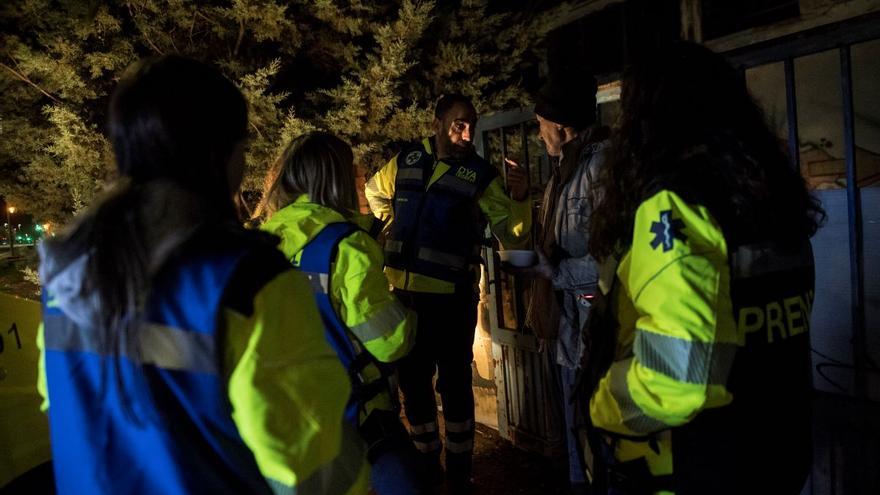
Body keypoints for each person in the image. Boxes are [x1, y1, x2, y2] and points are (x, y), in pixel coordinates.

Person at [35, 56, 368, 495]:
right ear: (222, 154)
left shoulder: (69, 270)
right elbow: (308, 467)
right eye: (243, 146)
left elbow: (59, 400)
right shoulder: (249, 281)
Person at [582, 42, 824, 494]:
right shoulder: (770, 202)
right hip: (776, 456)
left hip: (692, 465)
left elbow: (678, 379)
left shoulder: (676, 205)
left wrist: (602, 405)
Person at [365, 93, 532, 493]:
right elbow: (373, 192)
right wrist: (393, 220)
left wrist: (521, 199)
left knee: (454, 386)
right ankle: (427, 463)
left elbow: (513, 232)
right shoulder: (405, 161)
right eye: (459, 123)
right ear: (437, 123)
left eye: (472, 124)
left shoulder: (480, 174)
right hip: (404, 300)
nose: (468, 132)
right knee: (413, 385)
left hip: (451, 301)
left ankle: (459, 472)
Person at [258, 131, 425, 494]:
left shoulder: (257, 243)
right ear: (335, 180)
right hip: (353, 418)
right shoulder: (348, 246)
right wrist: (408, 314)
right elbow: (388, 344)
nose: (360, 181)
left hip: (280, 423)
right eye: (355, 173)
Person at [504, 73, 610, 495]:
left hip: (591, 335)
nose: (537, 132)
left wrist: (556, 274)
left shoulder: (601, 167)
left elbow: (616, 256)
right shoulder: (564, 171)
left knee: (594, 443)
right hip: (566, 333)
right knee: (576, 442)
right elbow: (554, 238)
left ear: (561, 126)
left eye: (539, 123)